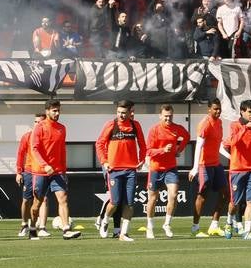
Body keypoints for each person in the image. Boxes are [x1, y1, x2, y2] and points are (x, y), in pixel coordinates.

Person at [96, 100, 147, 242]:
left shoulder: (135, 126)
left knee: (129, 203)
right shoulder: (111, 125)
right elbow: (99, 144)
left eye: (124, 113)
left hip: (131, 169)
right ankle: (105, 221)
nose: (121, 115)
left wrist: (141, 160)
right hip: (114, 169)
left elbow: (143, 145)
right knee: (115, 202)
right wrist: (104, 162)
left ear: (130, 112)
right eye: (119, 112)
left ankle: (124, 233)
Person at [32, 100, 81, 239]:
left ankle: (66, 230)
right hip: (41, 171)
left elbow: (62, 150)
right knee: (37, 203)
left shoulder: (62, 128)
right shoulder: (39, 127)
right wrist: (44, 165)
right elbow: (34, 149)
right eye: (54, 110)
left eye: (58, 110)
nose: (57, 113)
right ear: (47, 111)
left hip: (58, 171)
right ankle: (32, 228)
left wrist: (64, 170)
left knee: (63, 199)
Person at [145, 103, 191, 239]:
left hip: (171, 168)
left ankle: (167, 224)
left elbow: (187, 136)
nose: (168, 119)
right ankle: (150, 226)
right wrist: (162, 150)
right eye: (165, 116)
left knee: (174, 194)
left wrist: (179, 150)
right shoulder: (154, 130)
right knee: (153, 198)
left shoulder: (177, 128)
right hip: (155, 169)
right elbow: (148, 151)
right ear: (160, 116)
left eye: (170, 116)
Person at [222, 100, 251, 240]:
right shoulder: (235, 125)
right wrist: (245, 128)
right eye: (249, 112)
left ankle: (247, 231)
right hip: (237, 169)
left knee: (250, 201)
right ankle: (229, 222)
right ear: (242, 112)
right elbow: (232, 142)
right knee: (234, 203)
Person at [189, 99, 229, 238]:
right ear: (209, 110)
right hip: (203, 165)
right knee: (203, 195)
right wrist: (194, 168)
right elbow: (198, 146)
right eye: (215, 109)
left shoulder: (219, 123)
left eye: (219, 109)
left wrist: (230, 156)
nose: (218, 111)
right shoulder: (205, 124)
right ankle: (195, 227)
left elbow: (218, 145)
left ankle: (214, 225)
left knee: (225, 193)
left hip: (216, 163)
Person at [15, 112, 45, 238]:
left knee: (42, 200)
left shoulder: (47, 137)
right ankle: (24, 225)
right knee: (26, 200)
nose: (37, 124)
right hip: (28, 171)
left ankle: (41, 226)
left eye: (40, 122)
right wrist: (18, 172)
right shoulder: (27, 136)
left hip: (42, 172)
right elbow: (20, 154)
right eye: (35, 122)